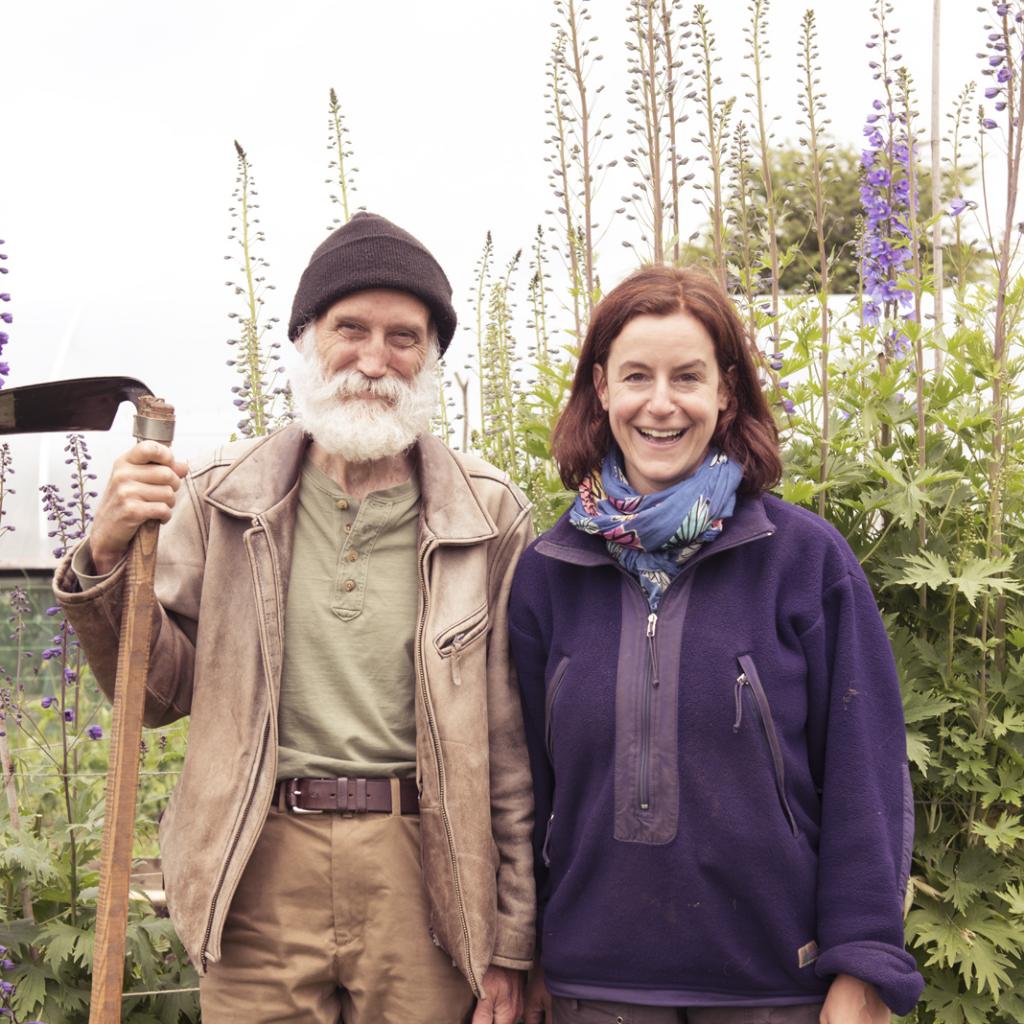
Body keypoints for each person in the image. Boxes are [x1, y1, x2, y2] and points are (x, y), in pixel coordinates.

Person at [53, 212, 534, 1024]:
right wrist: (104, 552)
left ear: (432, 359)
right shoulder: (222, 495)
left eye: (404, 337)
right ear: (306, 338)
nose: (374, 359)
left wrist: (512, 942)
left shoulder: (487, 513)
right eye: (351, 329)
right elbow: (157, 694)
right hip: (260, 863)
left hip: (426, 872)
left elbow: (509, 744)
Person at [509, 265, 923, 1024]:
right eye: (637, 376)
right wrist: (526, 950)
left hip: (774, 987)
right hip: (593, 987)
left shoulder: (804, 561)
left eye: (688, 377)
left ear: (726, 391)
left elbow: (866, 770)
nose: (661, 403)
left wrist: (864, 961)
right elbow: (524, 785)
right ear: (601, 388)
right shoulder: (549, 572)